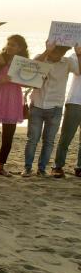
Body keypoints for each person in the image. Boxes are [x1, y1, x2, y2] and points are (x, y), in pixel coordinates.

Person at [23, 43, 80, 177]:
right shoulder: (41, 58)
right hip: (37, 104)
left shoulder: (68, 62)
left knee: (48, 141)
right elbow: (29, 67)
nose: (58, 55)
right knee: (32, 139)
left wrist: (79, 54)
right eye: (56, 51)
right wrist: (46, 51)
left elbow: (79, 71)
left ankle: (41, 169)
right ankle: (27, 168)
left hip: (55, 107)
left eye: (61, 52)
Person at [0, 35, 26, 176]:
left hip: (13, 99)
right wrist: (0, 80)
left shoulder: (22, 63)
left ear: (20, 48)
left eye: (14, 45)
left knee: (8, 136)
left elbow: (26, 82)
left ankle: (1, 167)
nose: (10, 47)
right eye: (8, 44)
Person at [53, 50, 81, 178]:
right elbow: (78, 71)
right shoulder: (75, 55)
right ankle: (57, 166)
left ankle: (79, 167)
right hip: (75, 101)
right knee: (66, 138)